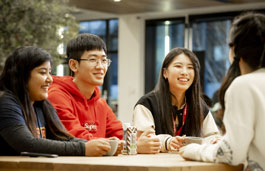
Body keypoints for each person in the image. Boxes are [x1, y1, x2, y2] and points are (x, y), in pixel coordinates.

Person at [180, 12, 265, 170]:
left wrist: (194, 150)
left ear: (234, 49)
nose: (184, 73)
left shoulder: (243, 85)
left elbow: (232, 154)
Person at [0, 46, 112, 156]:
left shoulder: (41, 104)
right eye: (43, 73)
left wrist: (102, 146)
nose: (50, 79)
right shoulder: (6, 103)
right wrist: (83, 148)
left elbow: (63, 138)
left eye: (50, 72)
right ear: (21, 76)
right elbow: (25, 144)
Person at [133, 47, 220, 154]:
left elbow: (212, 136)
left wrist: (214, 141)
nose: (184, 72)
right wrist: (167, 142)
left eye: (190, 67)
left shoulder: (199, 106)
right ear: (165, 73)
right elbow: (144, 140)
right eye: (178, 66)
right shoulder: (147, 103)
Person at [48, 34, 123, 145]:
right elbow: (74, 136)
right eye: (93, 60)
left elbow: (119, 133)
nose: (100, 67)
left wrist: (138, 141)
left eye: (103, 60)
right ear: (74, 65)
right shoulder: (57, 96)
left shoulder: (100, 103)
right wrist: (118, 144)